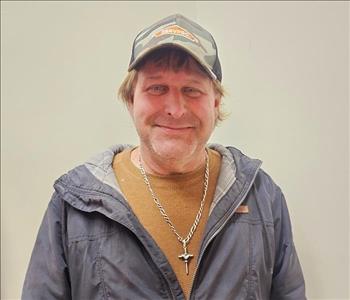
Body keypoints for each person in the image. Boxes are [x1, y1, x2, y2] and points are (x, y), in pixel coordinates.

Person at [22, 14, 306, 300]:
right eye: (157, 88)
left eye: (191, 90)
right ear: (132, 99)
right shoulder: (75, 205)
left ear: (215, 103)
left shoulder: (261, 197)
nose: (175, 109)